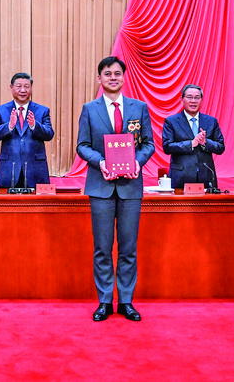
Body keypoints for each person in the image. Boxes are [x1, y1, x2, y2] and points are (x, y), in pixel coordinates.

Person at [76, 56, 154, 322]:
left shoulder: (139, 108)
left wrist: (137, 162)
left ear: (123, 77)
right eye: (107, 74)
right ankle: (105, 301)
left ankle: (126, 301)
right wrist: (101, 163)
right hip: (101, 186)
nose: (113, 77)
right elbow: (82, 145)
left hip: (131, 186)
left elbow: (148, 144)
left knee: (128, 247)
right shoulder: (89, 109)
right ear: (99, 78)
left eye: (117, 73)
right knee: (102, 247)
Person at [0, 72, 55, 188]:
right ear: (11, 87)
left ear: (31, 88)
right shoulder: (0, 111)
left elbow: (49, 134)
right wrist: (9, 126)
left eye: (26, 86)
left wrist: (35, 126)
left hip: (36, 170)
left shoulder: (42, 110)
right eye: (19, 86)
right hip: (9, 169)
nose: (23, 90)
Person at [160, 84, 225, 190]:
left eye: (197, 98)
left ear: (201, 100)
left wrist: (205, 142)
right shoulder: (171, 121)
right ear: (182, 100)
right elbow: (167, 147)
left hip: (206, 177)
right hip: (181, 177)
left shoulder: (211, 121)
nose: (193, 101)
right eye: (189, 97)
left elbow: (220, 147)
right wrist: (191, 144)